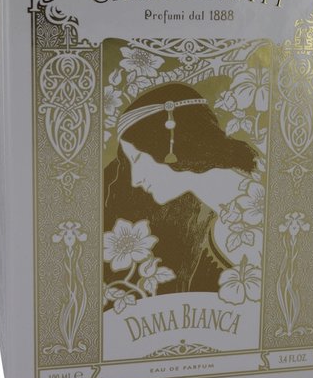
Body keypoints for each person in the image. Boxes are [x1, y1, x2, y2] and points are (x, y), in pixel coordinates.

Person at [104, 82, 259, 295]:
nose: (135, 180)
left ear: (169, 142)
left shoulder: (254, 212)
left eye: (137, 158)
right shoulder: (212, 218)